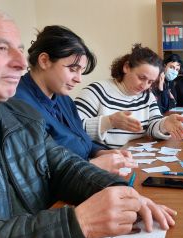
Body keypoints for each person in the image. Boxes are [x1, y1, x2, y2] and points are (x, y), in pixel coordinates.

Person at [0, 3, 176, 238]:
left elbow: (64, 166)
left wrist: (122, 193)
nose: (20, 62)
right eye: (0, 48)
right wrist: (75, 223)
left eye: (18, 49)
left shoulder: (19, 115)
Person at [14, 25, 136, 176]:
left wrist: (101, 152)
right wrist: (92, 165)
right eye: (72, 69)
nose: (78, 79)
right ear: (44, 61)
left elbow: (80, 140)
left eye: (81, 71)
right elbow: (35, 173)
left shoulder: (63, 98)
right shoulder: (18, 105)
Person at [75, 44, 183, 149]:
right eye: (141, 78)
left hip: (133, 157)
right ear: (127, 67)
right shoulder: (96, 91)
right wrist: (109, 122)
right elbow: (72, 129)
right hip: (103, 158)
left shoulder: (147, 96)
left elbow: (152, 125)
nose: (144, 86)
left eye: (150, 82)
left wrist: (164, 124)